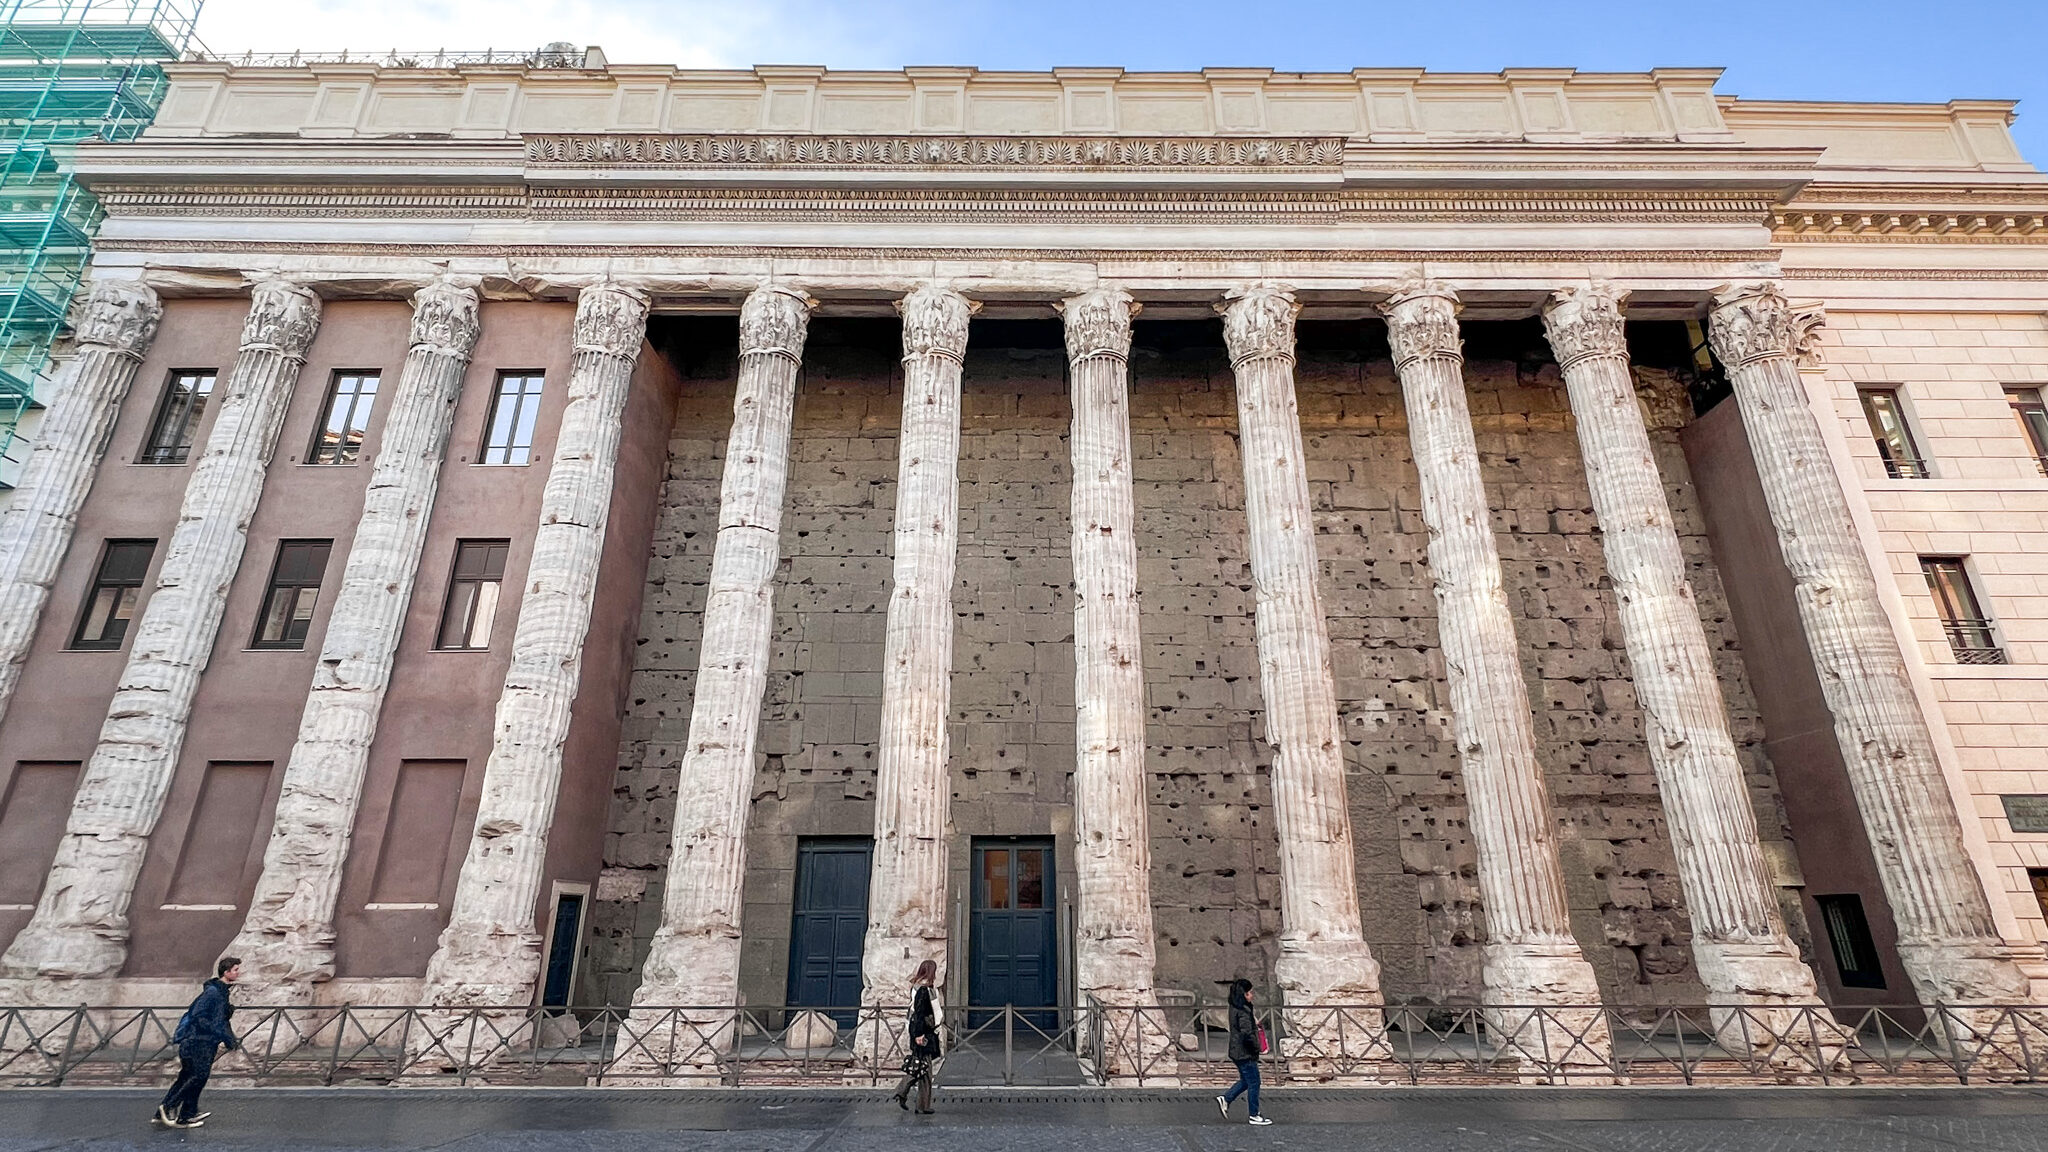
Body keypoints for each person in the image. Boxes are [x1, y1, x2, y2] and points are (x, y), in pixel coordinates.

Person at [155, 956, 241, 1129]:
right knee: (198, 1076)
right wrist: (222, 1035)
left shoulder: (220, 992)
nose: (239, 973)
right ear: (226, 972)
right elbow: (199, 1016)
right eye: (236, 970)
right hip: (198, 1041)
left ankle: (185, 1113)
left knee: (189, 1077)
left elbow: (220, 1019)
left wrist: (228, 1034)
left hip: (203, 1041)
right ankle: (169, 1106)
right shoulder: (213, 993)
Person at [1215, 978, 1272, 1125]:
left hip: (1237, 1051)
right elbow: (1247, 1033)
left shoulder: (1235, 1007)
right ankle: (1254, 1114)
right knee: (1254, 1082)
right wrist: (1257, 1048)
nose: (1252, 995)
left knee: (1247, 1081)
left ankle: (1227, 1098)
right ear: (1244, 994)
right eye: (1250, 992)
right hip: (1244, 1051)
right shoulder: (1243, 1011)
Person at [891, 959, 942, 1114]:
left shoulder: (919, 987)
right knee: (924, 1069)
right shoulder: (923, 990)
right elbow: (919, 1013)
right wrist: (919, 1035)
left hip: (921, 1030)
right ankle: (912, 1098)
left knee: (921, 1067)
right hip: (923, 1032)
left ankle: (913, 1099)